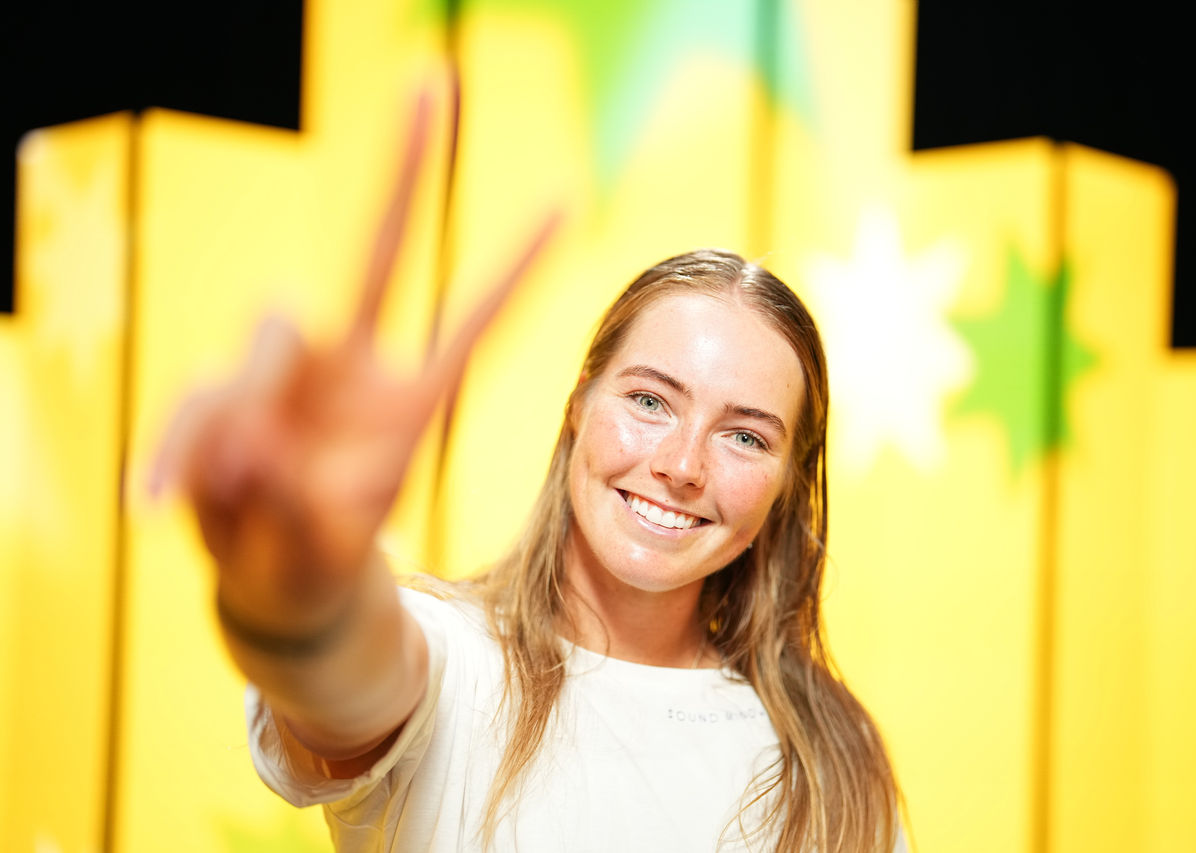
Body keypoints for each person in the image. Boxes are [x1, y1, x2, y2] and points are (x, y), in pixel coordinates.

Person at [153, 99, 901, 852]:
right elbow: (346, 686)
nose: (680, 465)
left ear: (785, 488)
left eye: (743, 435)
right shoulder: (451, 663)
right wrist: (303, 590)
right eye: (649, 400)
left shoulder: (832, 763)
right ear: (579, 404)